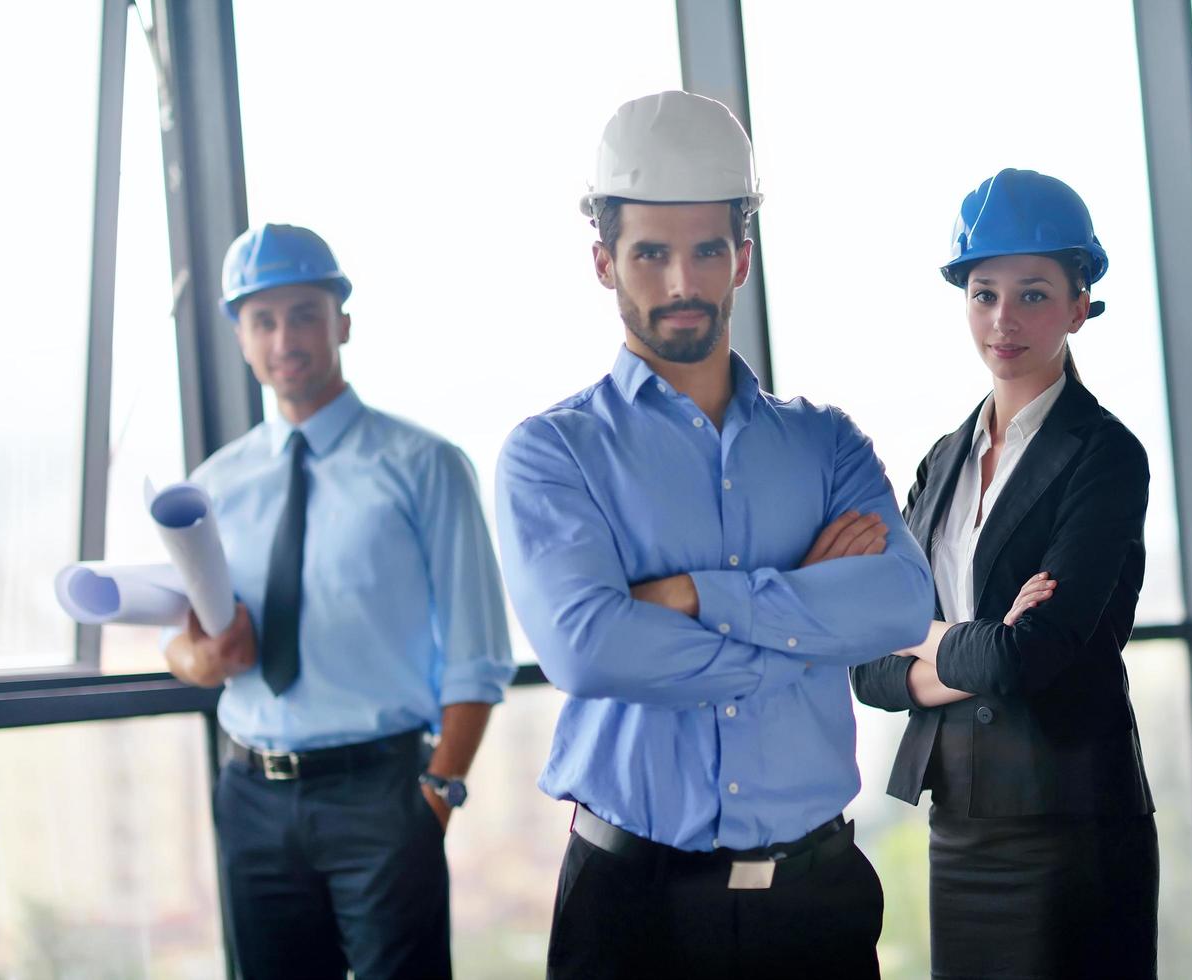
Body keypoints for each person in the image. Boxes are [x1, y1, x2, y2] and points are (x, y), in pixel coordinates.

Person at [494, 91, 935, 980]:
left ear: (743, 257)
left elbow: (899, 602)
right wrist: (804, 634)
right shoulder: (553, 454)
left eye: (705, 251)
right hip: (631, 911)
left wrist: (697, 598)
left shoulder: (827, 441)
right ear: (602, 261)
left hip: (816, 903)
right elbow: (587, 650)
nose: (681, 283)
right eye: (650, 254)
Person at [162, 223, 514, 980]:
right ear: (240, 336)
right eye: (263, 320)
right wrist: (200, 657)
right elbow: (179, 642)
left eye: (304, 314)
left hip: (382, 799)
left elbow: (478, 656)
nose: (284, 337)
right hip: (251, 798)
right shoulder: (213, 487)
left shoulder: (426, 466)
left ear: (341, 323)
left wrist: (438, 792)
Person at [852, 168, 1159, 978]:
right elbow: (868, 666)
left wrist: (922, 639)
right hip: (957, 822)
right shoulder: (941, 464)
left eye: (1032, 294)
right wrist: (968, 641)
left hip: (1071, 825)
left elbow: (1032, 655)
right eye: (984, 293)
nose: (1003, 318)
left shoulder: (1105, 456)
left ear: (1079, 305)